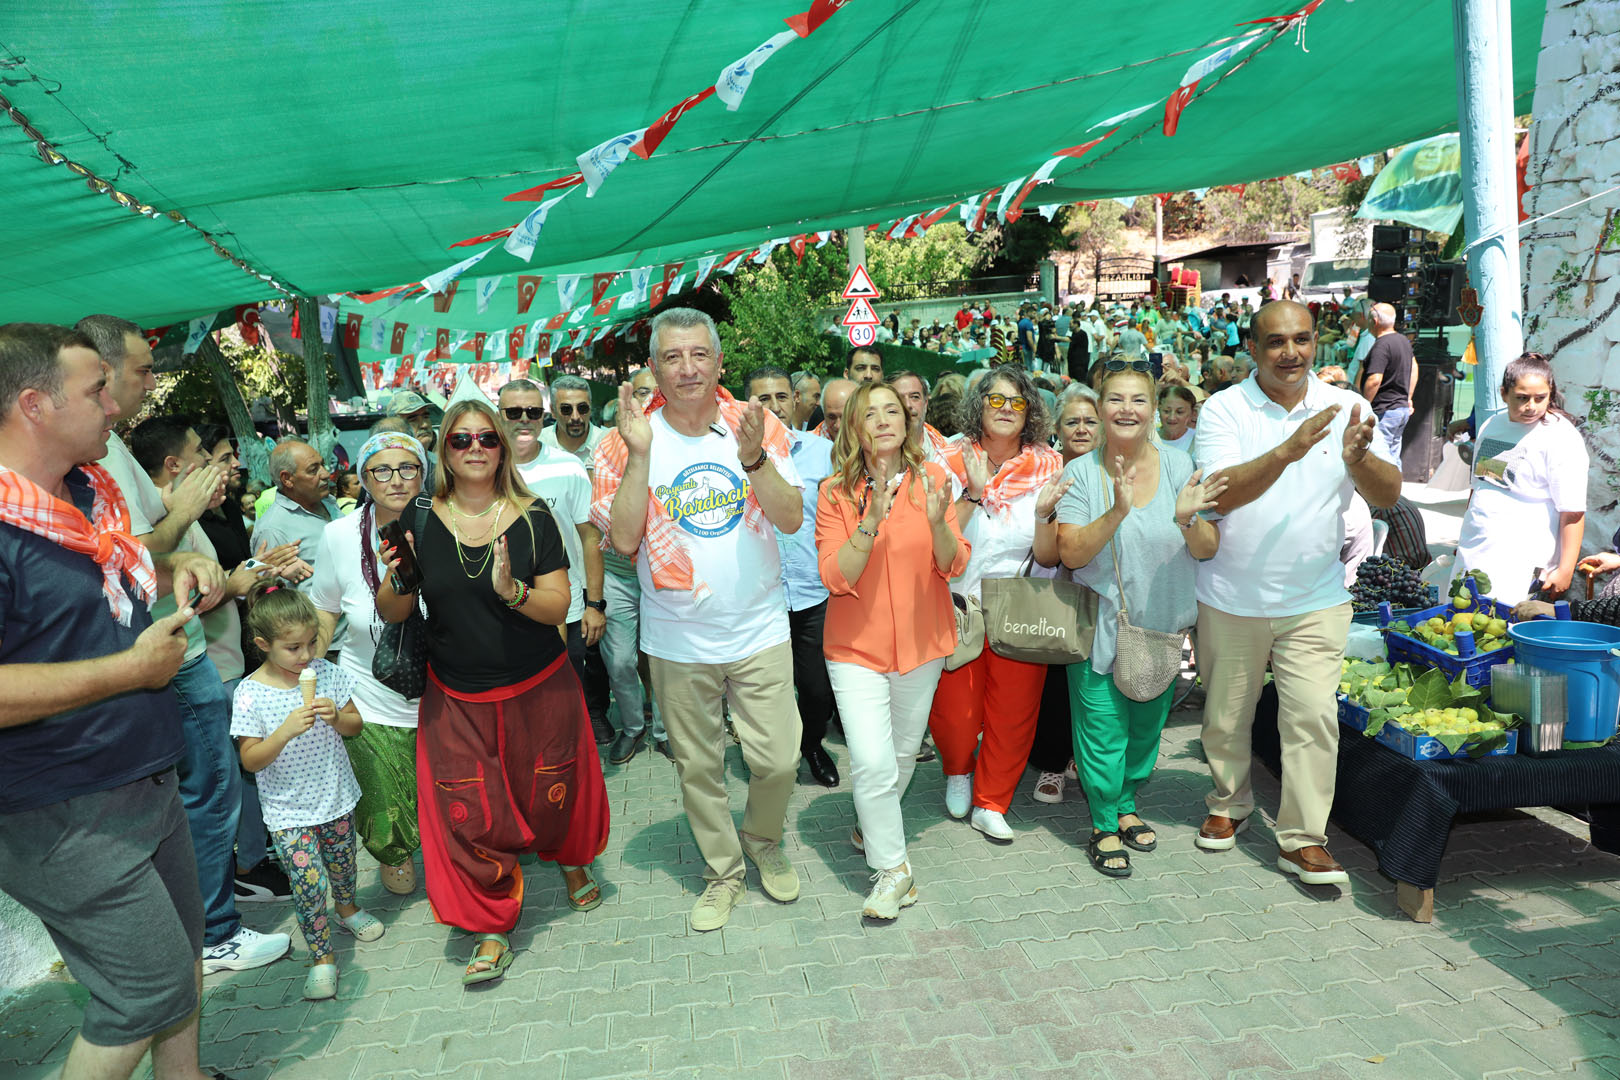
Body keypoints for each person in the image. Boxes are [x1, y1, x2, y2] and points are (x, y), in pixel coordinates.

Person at [0, 322, 248, 1080]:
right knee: (143, 991)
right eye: (96, 390)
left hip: (144, 778)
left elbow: (113, 575)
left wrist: (175, 567)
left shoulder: (87, 493)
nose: (116, 406)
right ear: (35, 405)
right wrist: (129, 672)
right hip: (58, 809)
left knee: (185, 947)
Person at [74, 314, 291, 978]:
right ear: (103, 372)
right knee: (208, 797)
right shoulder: (95, 454)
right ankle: (216, 935)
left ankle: (203, 930)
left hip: (182, 649)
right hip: (175, 655)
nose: (152, 379)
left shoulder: (105, 447)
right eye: (144, 367)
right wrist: (188, 516)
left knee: (206, 795)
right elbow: (137, 556)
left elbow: (144, 554)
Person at [377, 399, 609, 983]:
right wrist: (399, 577)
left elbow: (559, 604)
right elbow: (394, 609)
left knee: (550, 790)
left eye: (486, 438)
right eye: (461, 440)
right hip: (455, 695)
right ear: (445, 452)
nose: (475, 448)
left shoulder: (534, 518)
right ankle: (489, 924)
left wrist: (513, 592)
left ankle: (572, 862)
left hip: (539, 688)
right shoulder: (418, 517)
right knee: (470, 811)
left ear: (503, 448)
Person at [593, 307, 804, 932]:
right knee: (699, 767)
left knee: (777, 760)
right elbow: (625, 541)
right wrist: (637, 456)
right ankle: (723, 872)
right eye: (673, 357)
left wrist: (755, 459)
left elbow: (791, 519)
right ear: (654, 368)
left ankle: (763, 840)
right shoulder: (624, 438)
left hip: (760, 628)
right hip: (678, 639)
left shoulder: (754, 424)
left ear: (718, 362)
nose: (687, 369)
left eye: (699, 355)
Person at [1192, 300, 1401, 886]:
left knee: (1311, 719)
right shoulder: (1223, 409)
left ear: (1317, 344)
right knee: (1226, 718)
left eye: (1302, 340)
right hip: (1231, 597)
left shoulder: (1350, 407)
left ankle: (1303, 839)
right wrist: (1287, 451)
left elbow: (1388, 494)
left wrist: (1359, 462)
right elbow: (1219, 495)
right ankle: (1229, 803)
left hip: (1315, 599)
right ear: (1253, 349)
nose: (1291, 353)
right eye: (1276, 342)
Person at [1058, 359, 1225, 876]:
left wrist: (1185, 518)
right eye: (1115, 399)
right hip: (1100, 629)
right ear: (1099, 407)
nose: (1126, 409)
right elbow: (1070, 554)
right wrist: (1117, 511)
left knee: (1145, 731)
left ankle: (1127, 803)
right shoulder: (1082, 472)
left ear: (1154, 409)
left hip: (1163, 630)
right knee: (1103, 730)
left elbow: (1207, 547)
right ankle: (1105, 823)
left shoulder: (1183, 466)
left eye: (1138, 400)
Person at [816, 381, 967, 918]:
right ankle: (893, 872)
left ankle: (870, 824)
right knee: (874, 763)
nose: (884, 420)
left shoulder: (933, 479)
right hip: (855, 647)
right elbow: (835, 576)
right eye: (870, 413)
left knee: (902, 756)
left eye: (892, 410)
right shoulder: (834, 490)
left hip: (922, 645)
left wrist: (935, 523)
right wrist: (870, 521)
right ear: (854, 427)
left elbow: (954, 563)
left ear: (907, 421)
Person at [931, 366, 1064, 841]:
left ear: (1030, 411)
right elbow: (931, 532)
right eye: (996, 400)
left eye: (1017, 402)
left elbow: (1051, 546)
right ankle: (957, 770)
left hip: (1019, 601)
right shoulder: (946, 456)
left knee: (1014, 712)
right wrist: (974, 489)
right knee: (955, 711)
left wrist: (1047, 514)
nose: (1006, 409)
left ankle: (993, 801)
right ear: (979, 404)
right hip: (956, 599)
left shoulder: (1050, 465)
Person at [232, 585, 383, 1000]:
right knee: (309, 884)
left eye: (311, 642)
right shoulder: (249, 693)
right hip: (289, 812)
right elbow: (250, 760)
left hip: (334, 796)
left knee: (344, 864)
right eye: (292, 647)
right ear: (263, 645)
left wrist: (337, 717)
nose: (305, 655)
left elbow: (356, 725)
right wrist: (282, 733)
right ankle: (321, 956)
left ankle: (348, 907)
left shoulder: (328, 672)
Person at [309, 432, 430, 896]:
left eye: (408, 469)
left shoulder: (446, 522)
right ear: (362, 478)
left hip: (442, 684)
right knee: (381, 789)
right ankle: (394, 853)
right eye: (381, 470)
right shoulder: (339, 534)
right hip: (368, 684)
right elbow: (325, 608)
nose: (395, 480)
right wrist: (308, 670)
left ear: (424, 472)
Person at [496, 379, 611, 742]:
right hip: (502, 609)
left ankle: (570, 776)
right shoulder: (484, 466)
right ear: (499, 416)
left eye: (533, 412)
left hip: (566, 609)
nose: (524, 420)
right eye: (514, 413)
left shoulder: (569, 467)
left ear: (544, 415)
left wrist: (594, 603)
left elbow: (590, 538)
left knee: (565, 701)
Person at [749, 366, 839, 788]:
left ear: (797, 400)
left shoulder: (823, 453)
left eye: (781, 397)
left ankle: (813, 745)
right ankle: (773, 761)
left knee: (817, 689)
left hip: (813, 593)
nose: (773, 407)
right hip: (757, 597)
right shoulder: (729, 456)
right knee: (765, 693)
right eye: (762, 399)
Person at [1455, 353, 1588, 603]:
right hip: (1475, 548)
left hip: (1523, 558)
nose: (1531, 406)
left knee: (1506, 627)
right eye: (1522, 398)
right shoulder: (1491, 425)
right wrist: (1465, 535)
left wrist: (1566, 569)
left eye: (1540, 398)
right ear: (1504, 393)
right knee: (1462, 623)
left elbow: (1573, 511)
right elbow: (1479, 486)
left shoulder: (1561, 437)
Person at [1028, 387, 1102, 804]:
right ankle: (1052, 765)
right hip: (1056, 595)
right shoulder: (1047, 474)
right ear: (1057, 429)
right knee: (1055, 687)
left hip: (1106, 597)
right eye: (1072, 421)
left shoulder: (1117, 469)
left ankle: (1082, 756)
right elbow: (1047, 549)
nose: (1081, 429)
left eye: (1089, 421)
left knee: (1095, 685)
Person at [253, 438, 339, 609]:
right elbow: (267, 597)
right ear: (287, 479)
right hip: (324, 633)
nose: (325, 474)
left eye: (322, 465)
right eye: (313, 470)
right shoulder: (272, 529)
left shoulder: (328, 502)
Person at [1358, 303, 1416, 462]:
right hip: (1399, 409)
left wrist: (1364, 404)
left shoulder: (1382, 345)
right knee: (1392, 457)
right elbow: (1414, 367)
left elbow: (1374, 380)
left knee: (1380, 458)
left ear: (1374, 321)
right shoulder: (1403, 340)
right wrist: (1408, 397)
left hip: (1385, 410)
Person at [386, 390, 438, 492]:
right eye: (412, 419)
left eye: (426, 416)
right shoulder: (383, 471)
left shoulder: (442, 465)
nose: (424, 425)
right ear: (393, 427)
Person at [814, 377, 856, 442]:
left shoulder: (872, 442)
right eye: (831, 417)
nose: (838, 426)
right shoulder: (807, 447)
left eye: (845, 417)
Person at [1158, 385, 1198, 452]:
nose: (1172, 418)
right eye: (1166, 411)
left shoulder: (1198, 440)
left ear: (1192, 413)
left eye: (1179, 412)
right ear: (1159, 409)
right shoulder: (1148, 438)